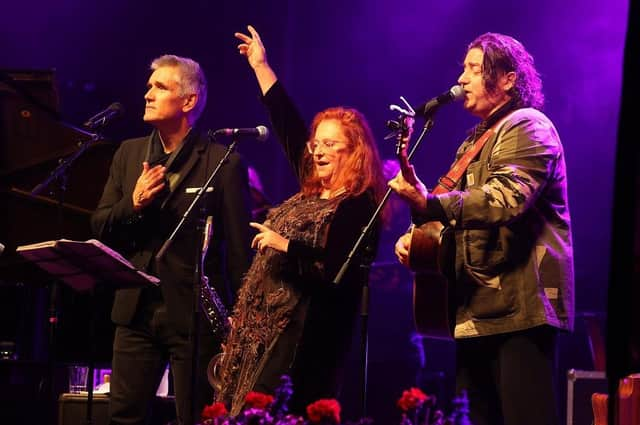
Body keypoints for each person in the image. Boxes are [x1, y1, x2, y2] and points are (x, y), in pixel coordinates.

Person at [389, 33, 574, 425]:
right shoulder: (473, 141)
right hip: (475, 309)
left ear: (508, 78)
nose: (463, 79)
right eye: (464, 69)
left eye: (475, 69)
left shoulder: (529, 126)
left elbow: (504, 199)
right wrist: (418, 237)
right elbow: (449, 215)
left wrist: (430, 204)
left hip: (520, 308)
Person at [211, 25, 387, 417]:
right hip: (260, 330)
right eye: (316, 143)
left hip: (305, 337)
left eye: (330, 145)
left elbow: (337, 264)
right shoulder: (310, 190)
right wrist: (260, 66)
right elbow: (287, 124)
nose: (318, 151)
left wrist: (285, 244)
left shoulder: (359, 205)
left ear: (354, 153)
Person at [90, 54, 253, 425]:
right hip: (135, 310)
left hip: (193, 315)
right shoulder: (128, 153)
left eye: (160, 87)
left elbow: (240, 254)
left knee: (197, 417)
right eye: (150, 85)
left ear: (189, 101)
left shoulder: (221, 161)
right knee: (123, 416)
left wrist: (241, 326)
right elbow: (100, 225)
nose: (147, 93)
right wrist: (133, 204)